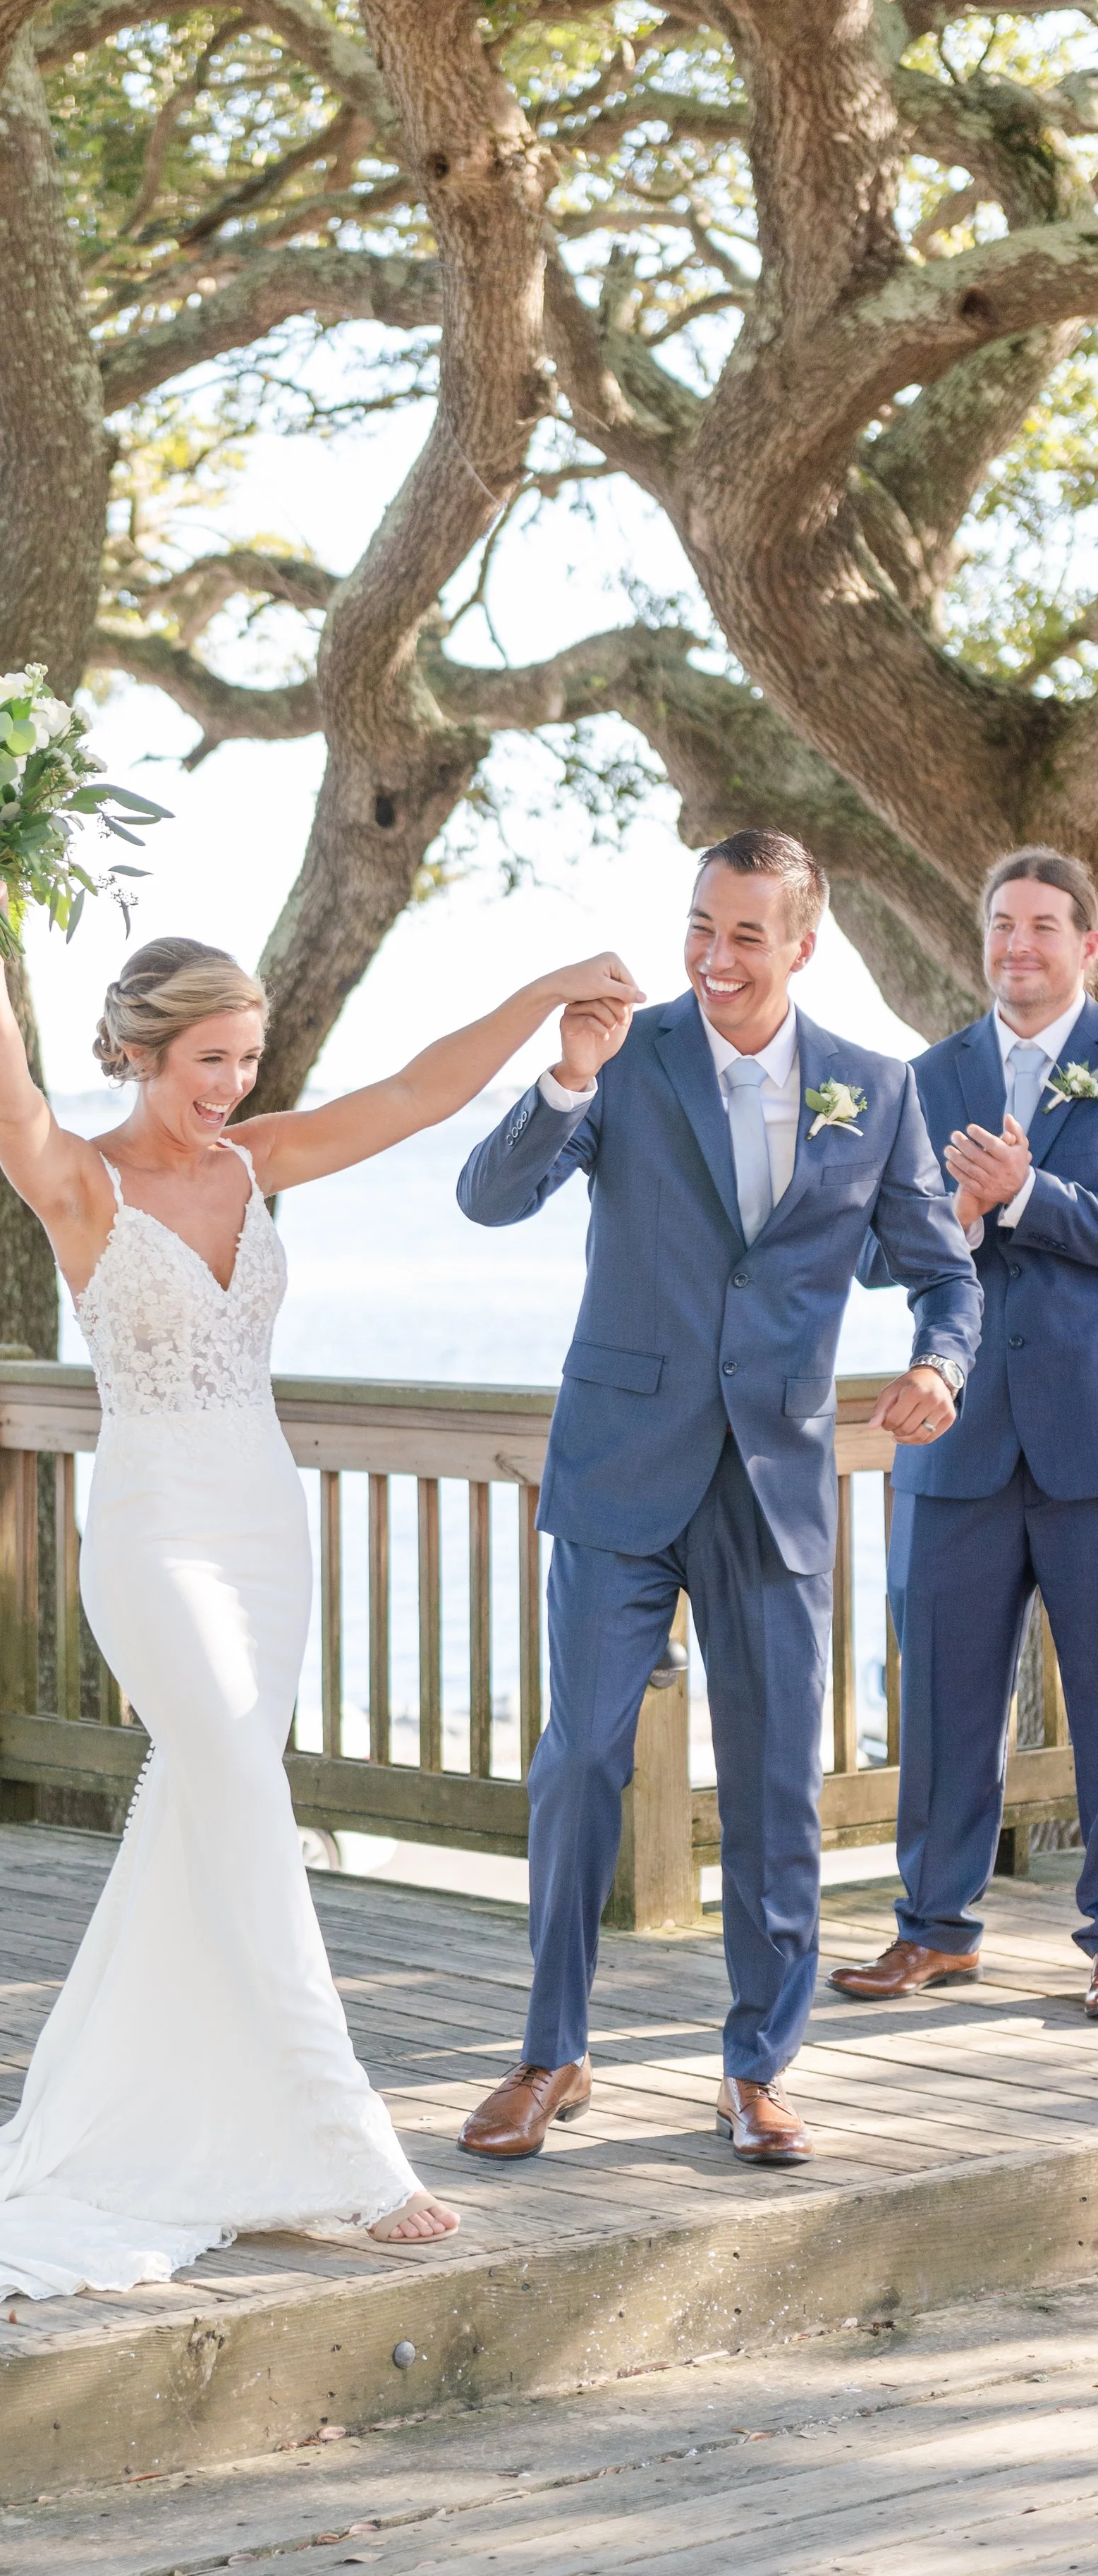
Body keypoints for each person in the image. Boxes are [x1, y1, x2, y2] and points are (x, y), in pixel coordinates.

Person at [0, 880, 642, 2300]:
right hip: (153, 1532)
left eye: (245, 1062)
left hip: (263, 1527)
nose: (230, 1090)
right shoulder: (80, 1180)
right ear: (140, 1053)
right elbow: (1, 1101)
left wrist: (547, 988)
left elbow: (420, 1093)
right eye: (208, 1064)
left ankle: (195, 2127)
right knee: (245, 1800)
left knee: (206, 1823)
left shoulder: (257, 1163)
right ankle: (350, 2152)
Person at [453, 831, 981, 2168]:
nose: (716, 956)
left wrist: (940, 1363)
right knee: (580, 1759)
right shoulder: (625, 1056)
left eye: (749, 934)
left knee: (772, 1791)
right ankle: (550, 2053)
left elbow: (943, 1272)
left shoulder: (877, 1086)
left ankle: (759, 2067)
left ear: (803, 945)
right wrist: (565, 1078)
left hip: (776, 1482)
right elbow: (488, 1199)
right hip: (620, 1469)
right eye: (703, 926)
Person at [831, 848, 1098, 2016]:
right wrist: (958, 1210)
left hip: (1093, 1446)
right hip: (959, 1439)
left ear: (1087, 947)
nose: (1019, 945)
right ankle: (934, 1928)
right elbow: (874, 1250)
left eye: (1045, 926)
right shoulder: (920, 1077)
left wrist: (1031, 1200)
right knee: (939, 1697)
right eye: (1002, 925)